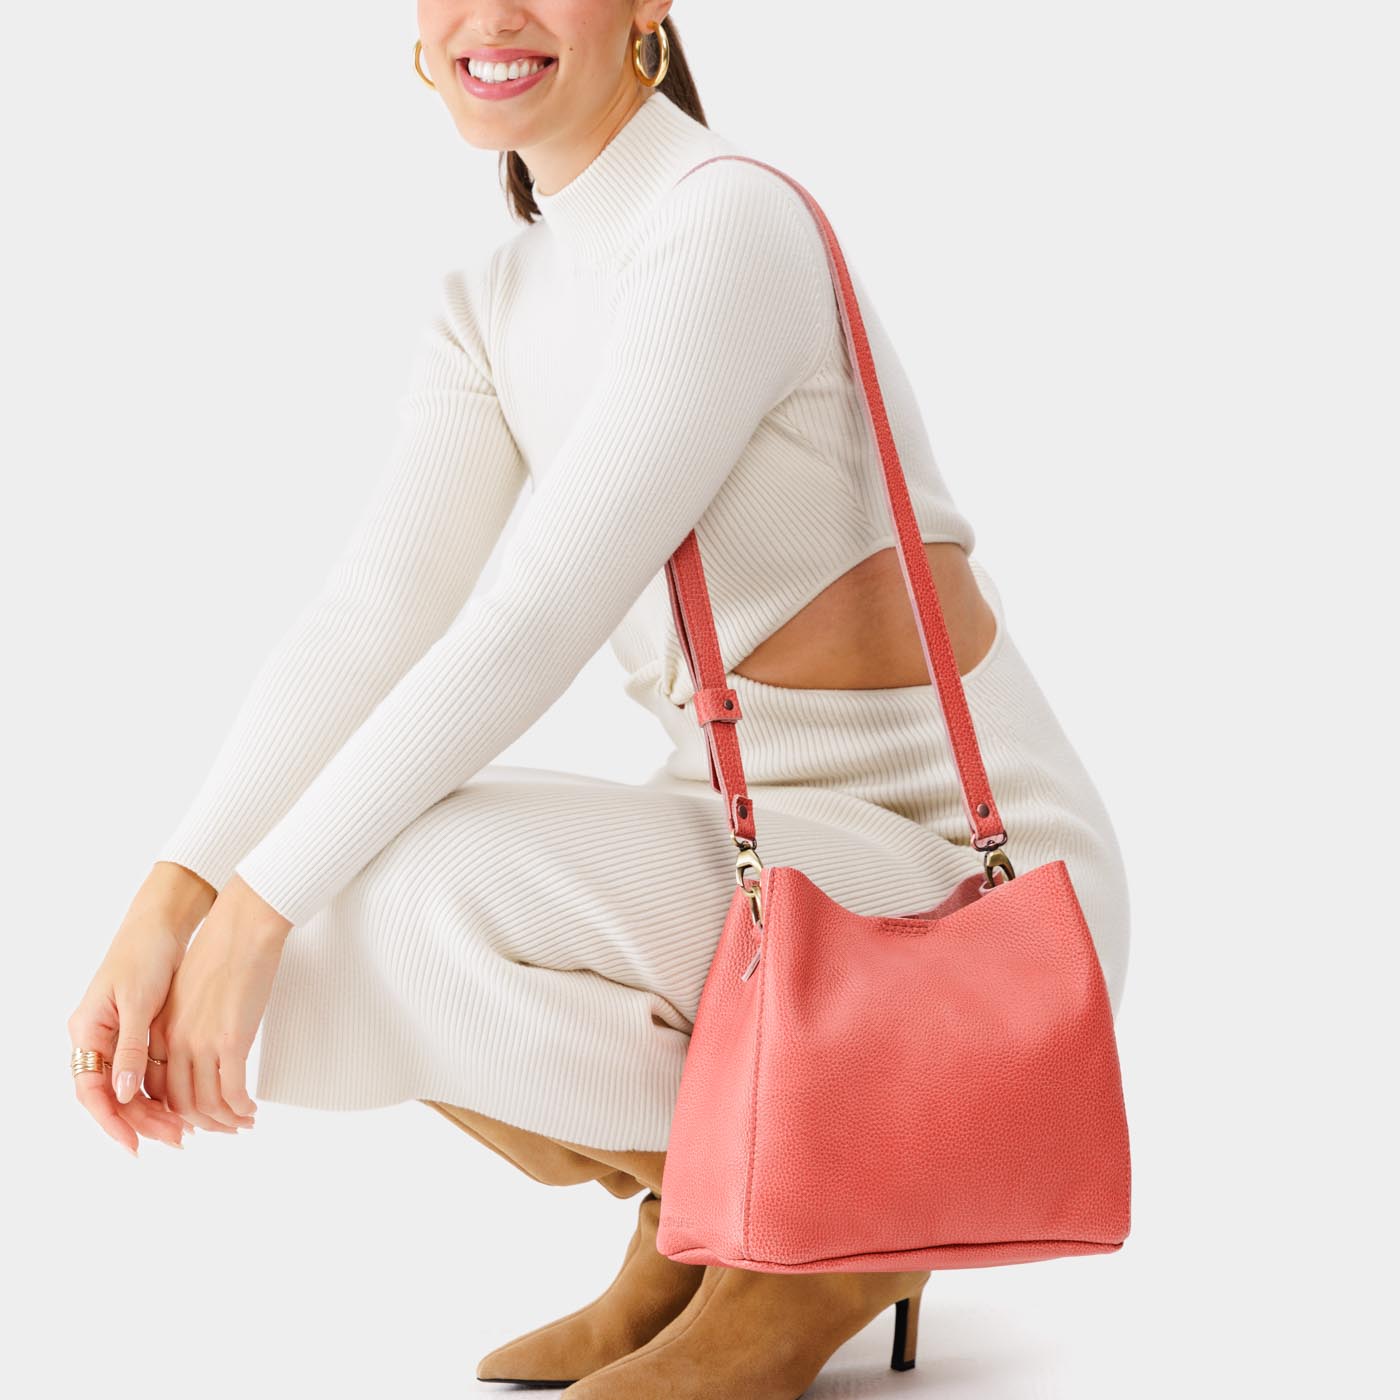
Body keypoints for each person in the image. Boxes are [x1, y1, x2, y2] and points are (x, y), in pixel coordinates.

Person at [67, 3, 1131, 1393]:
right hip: (765, 868)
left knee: (351, 883)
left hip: (952, 892)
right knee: (314, 900)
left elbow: (535, 618)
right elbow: (371, 619)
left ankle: (825, 1246)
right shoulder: (495, 303)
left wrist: (253, 910)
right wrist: (174, 901)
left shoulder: (728, 222)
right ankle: (717, 1218)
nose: (491, 16)